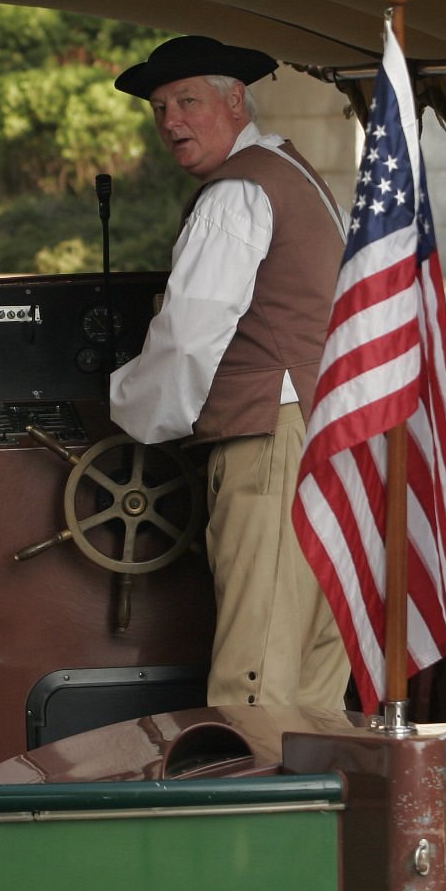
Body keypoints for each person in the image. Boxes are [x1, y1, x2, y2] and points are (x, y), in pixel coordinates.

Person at [107, 35, 351, 710]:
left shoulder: (235, 195)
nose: (171, 122)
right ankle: (319, 806)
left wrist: (124, 409)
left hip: (271, 438)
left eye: (187, 101)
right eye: (159, 109)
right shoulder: (295, 173)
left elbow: (187, 338)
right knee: (314, 672)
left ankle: (248, 809)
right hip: (332, 434)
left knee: (254, 668)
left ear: (236, 99)